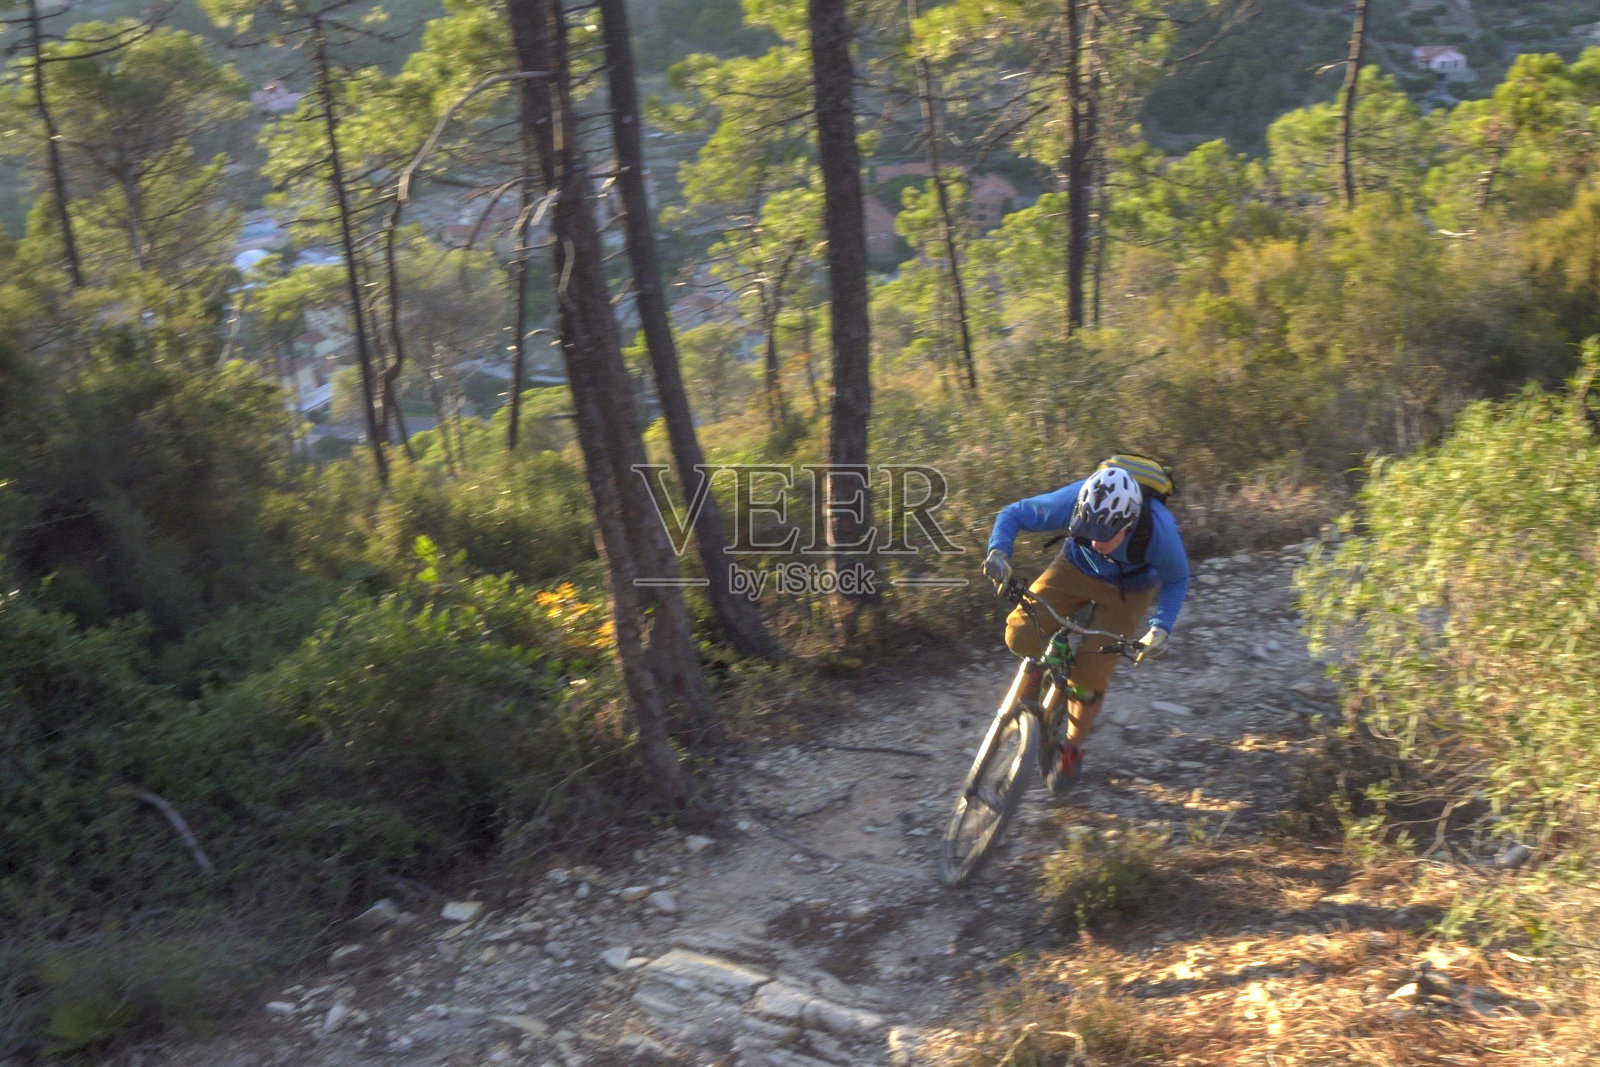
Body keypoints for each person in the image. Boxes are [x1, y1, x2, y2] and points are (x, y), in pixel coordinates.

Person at [982, 465, 1190, 794]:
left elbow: (1177, 579)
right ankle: (1039, 682)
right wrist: (998, 552)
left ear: (1129, 523)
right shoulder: (1076, 499)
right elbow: (1014, 513)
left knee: (1090, 677)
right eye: (1089, 527)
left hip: (1129, 590)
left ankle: (1071, 748)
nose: (1095, 540)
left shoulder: (1159, 531)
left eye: (1106, 533)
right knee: (1020, 634)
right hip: (1074, 568)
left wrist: (1160, 628)